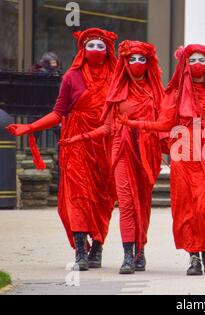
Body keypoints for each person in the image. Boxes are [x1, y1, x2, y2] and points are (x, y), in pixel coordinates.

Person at [6, 28, 118, 271]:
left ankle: (97, 246)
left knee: (103, 197)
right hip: (75, 142)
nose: (96, 51)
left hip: (105, 143)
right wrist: (30, 127)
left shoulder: (117, 77)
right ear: (82, 50)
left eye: (101, 46)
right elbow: (59, 113)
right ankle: (80, 251)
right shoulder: (71, 77)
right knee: (76, 196)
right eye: (91, 46)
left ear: (108, 50)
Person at [120, 44, 205, 276]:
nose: (196, 65)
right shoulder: (175, 94)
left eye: (201, 60)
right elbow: (164, 124)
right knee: (187, 208)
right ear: (184, 64)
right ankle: (194, 257)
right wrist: (136, 124)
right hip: (183, 156)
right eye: (191, 60)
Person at [60, 40, 165, 274]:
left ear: (149, 63)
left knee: (142, 205)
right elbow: (107, 127)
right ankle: (128, 256)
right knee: (126, 203)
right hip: (122, 152)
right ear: (125, 62)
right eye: (132, 59)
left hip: (147, 155)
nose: (137, 64)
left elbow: (166, 126)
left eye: (142, 59)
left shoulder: (157, 93)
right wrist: (81, 137)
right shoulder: (117, 92)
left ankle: (140, 250)